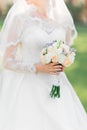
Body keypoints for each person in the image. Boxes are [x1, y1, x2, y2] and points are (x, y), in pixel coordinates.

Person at [0, 0, 87, 129]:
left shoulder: (63, 20)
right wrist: (37, 67)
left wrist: (61, 61)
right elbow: (7, 61)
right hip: (28, 87)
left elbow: (65, 50)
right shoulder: (20, 19)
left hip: (56, 85)